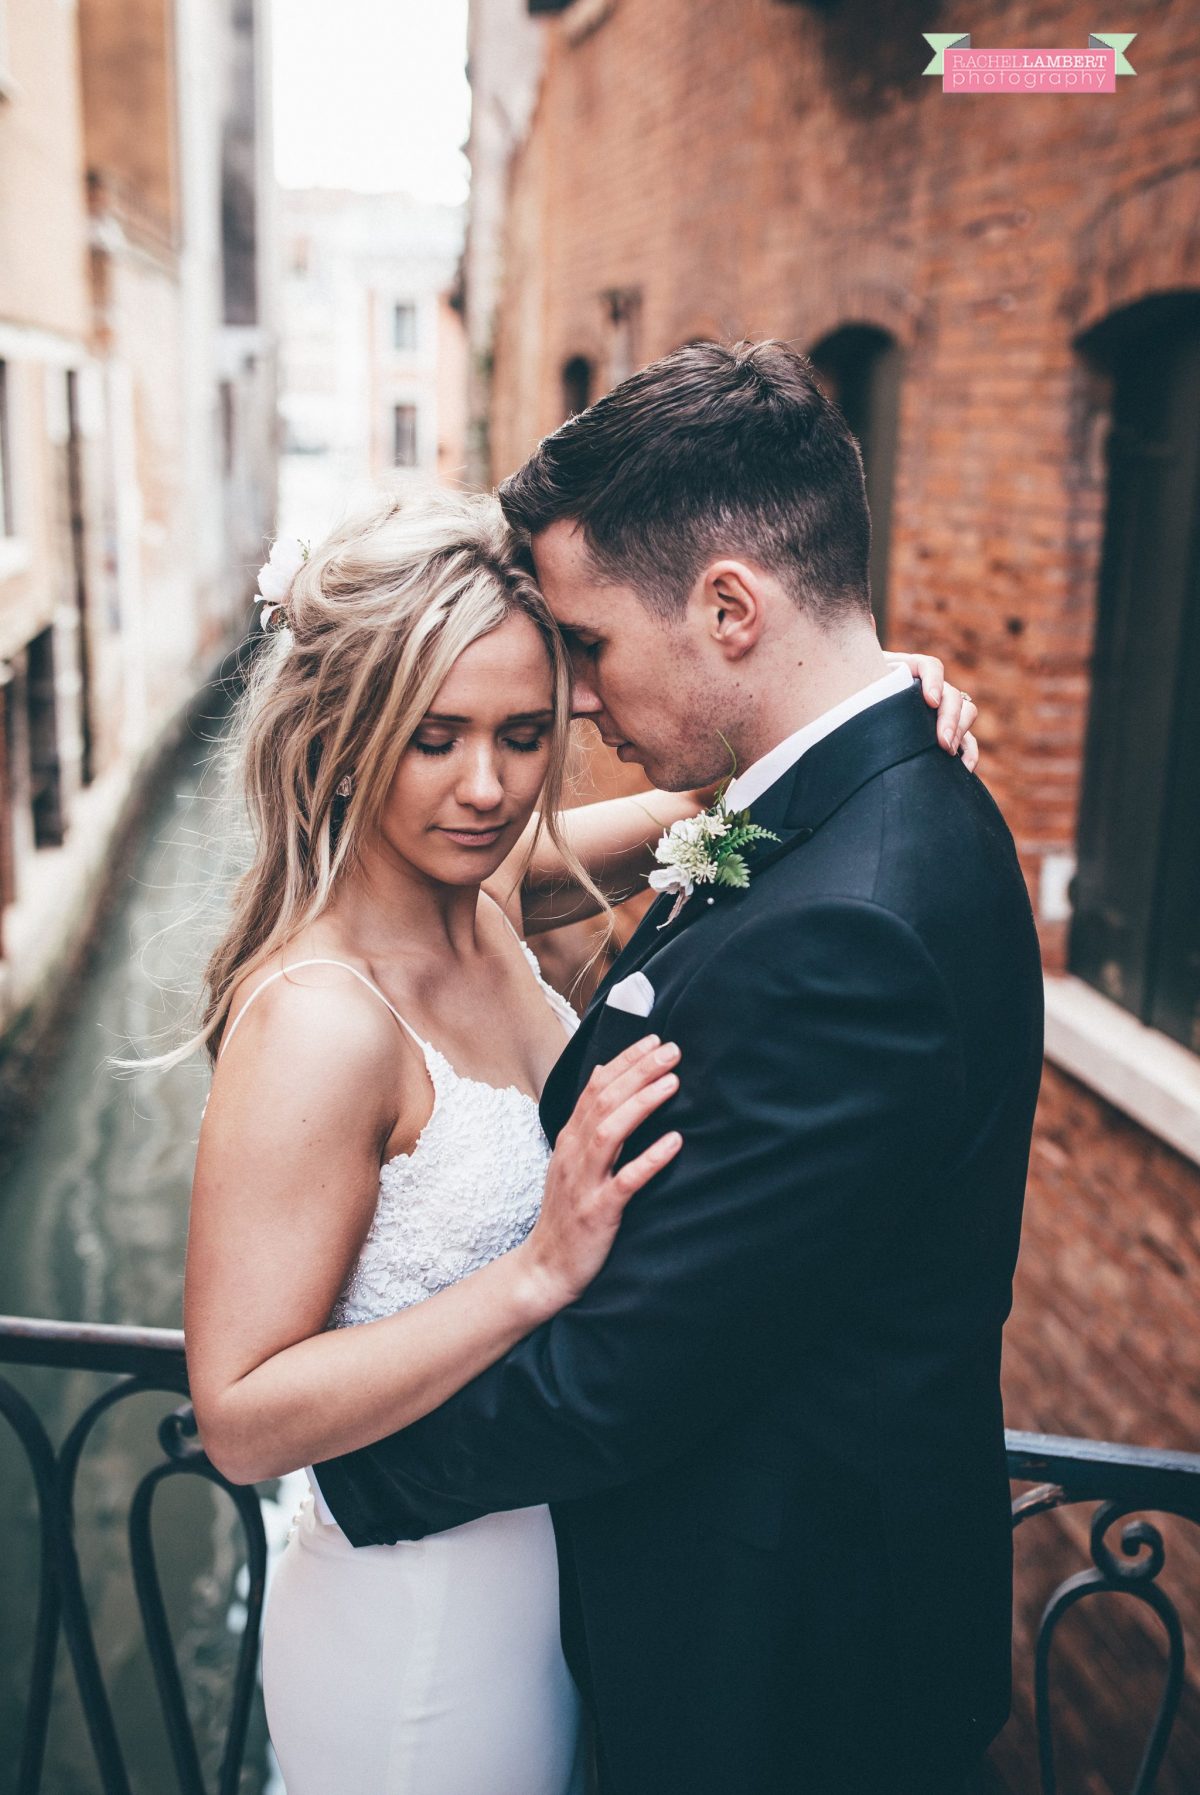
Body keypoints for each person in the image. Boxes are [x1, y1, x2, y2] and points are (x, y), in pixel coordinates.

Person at [309, 342, 1046, 1795]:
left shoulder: (855, 922)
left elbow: (627, 1374)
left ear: (728, 609)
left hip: (781, 1689)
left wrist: (348, 1479)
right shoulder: (848, 804)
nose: (573, 702)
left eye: (582, 647)